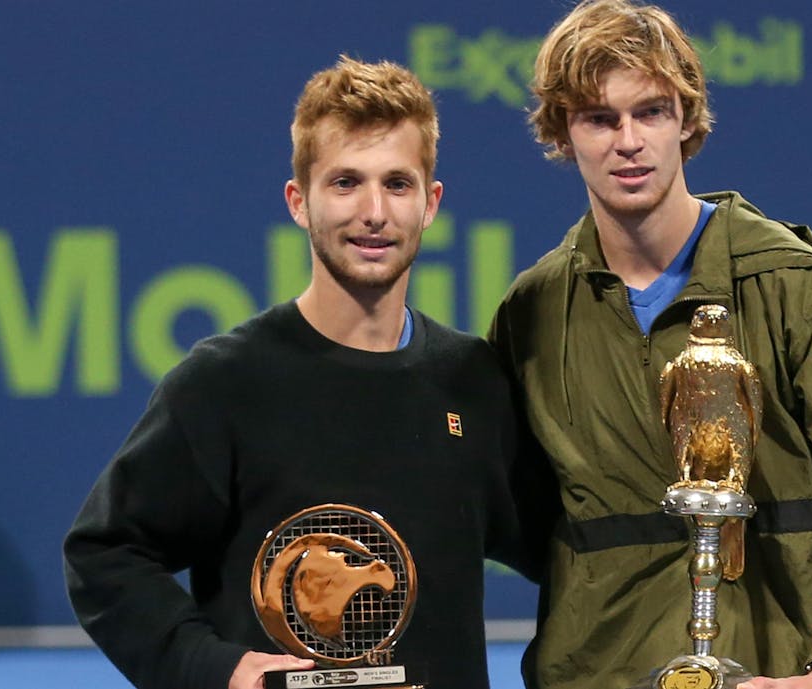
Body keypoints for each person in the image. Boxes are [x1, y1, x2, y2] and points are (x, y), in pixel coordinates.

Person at [488, 2, 812, 688]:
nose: (628, 140)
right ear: (562, 132)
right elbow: (518, 525)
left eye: (651, 112)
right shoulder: (533, 312)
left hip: (775, 674)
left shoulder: (795, 288)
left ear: (688, 120)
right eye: (599, 118)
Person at [64, 56, 535, 689]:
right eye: (345, 183)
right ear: (299, 201)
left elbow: (562, 545)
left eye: (397, 184)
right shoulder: (224, 385)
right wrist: (213, 665)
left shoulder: (474, 380)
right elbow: (106, 554)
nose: (374, 211)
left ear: (431, 204)